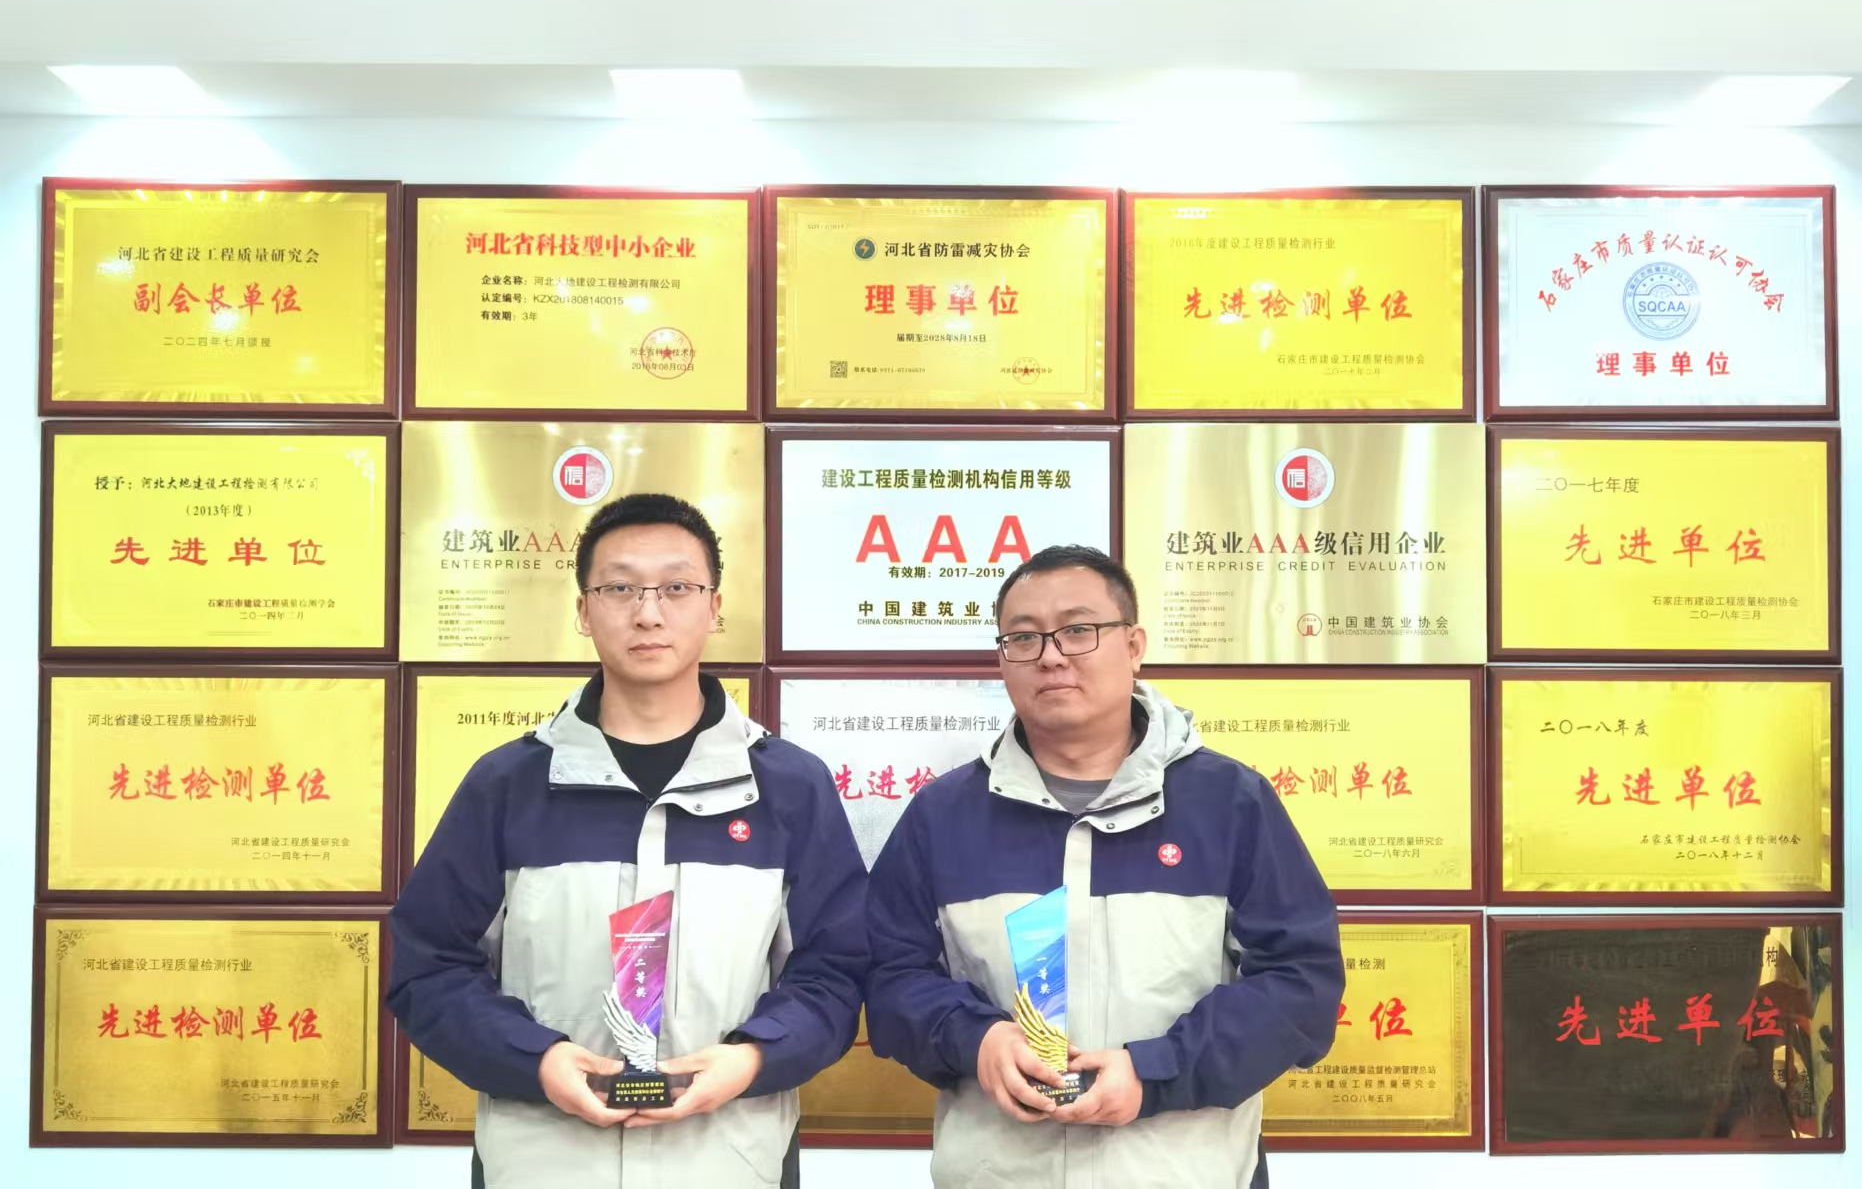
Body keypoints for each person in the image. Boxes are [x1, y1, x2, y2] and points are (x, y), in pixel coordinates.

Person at [389, 493, 867, 1189]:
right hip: (544, 1167)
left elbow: (837, 970)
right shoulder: (509, 785)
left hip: (730, 1163)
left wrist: (751, 1058)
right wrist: (536, 1060)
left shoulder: (789, 787)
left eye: (676, 587)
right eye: (619, 589)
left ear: (715, 606)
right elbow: (428, 968)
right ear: (583, 611)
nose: (648, 613)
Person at [864, 544, 1343, 1188]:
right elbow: (891, 976)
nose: (1051, 655)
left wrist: (1154, 1073)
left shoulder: (1231, 803)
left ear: (1134, 645)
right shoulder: (943, 815)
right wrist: (978, 1042)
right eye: (1023, 638)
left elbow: (1302, 983)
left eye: (1078, 630)